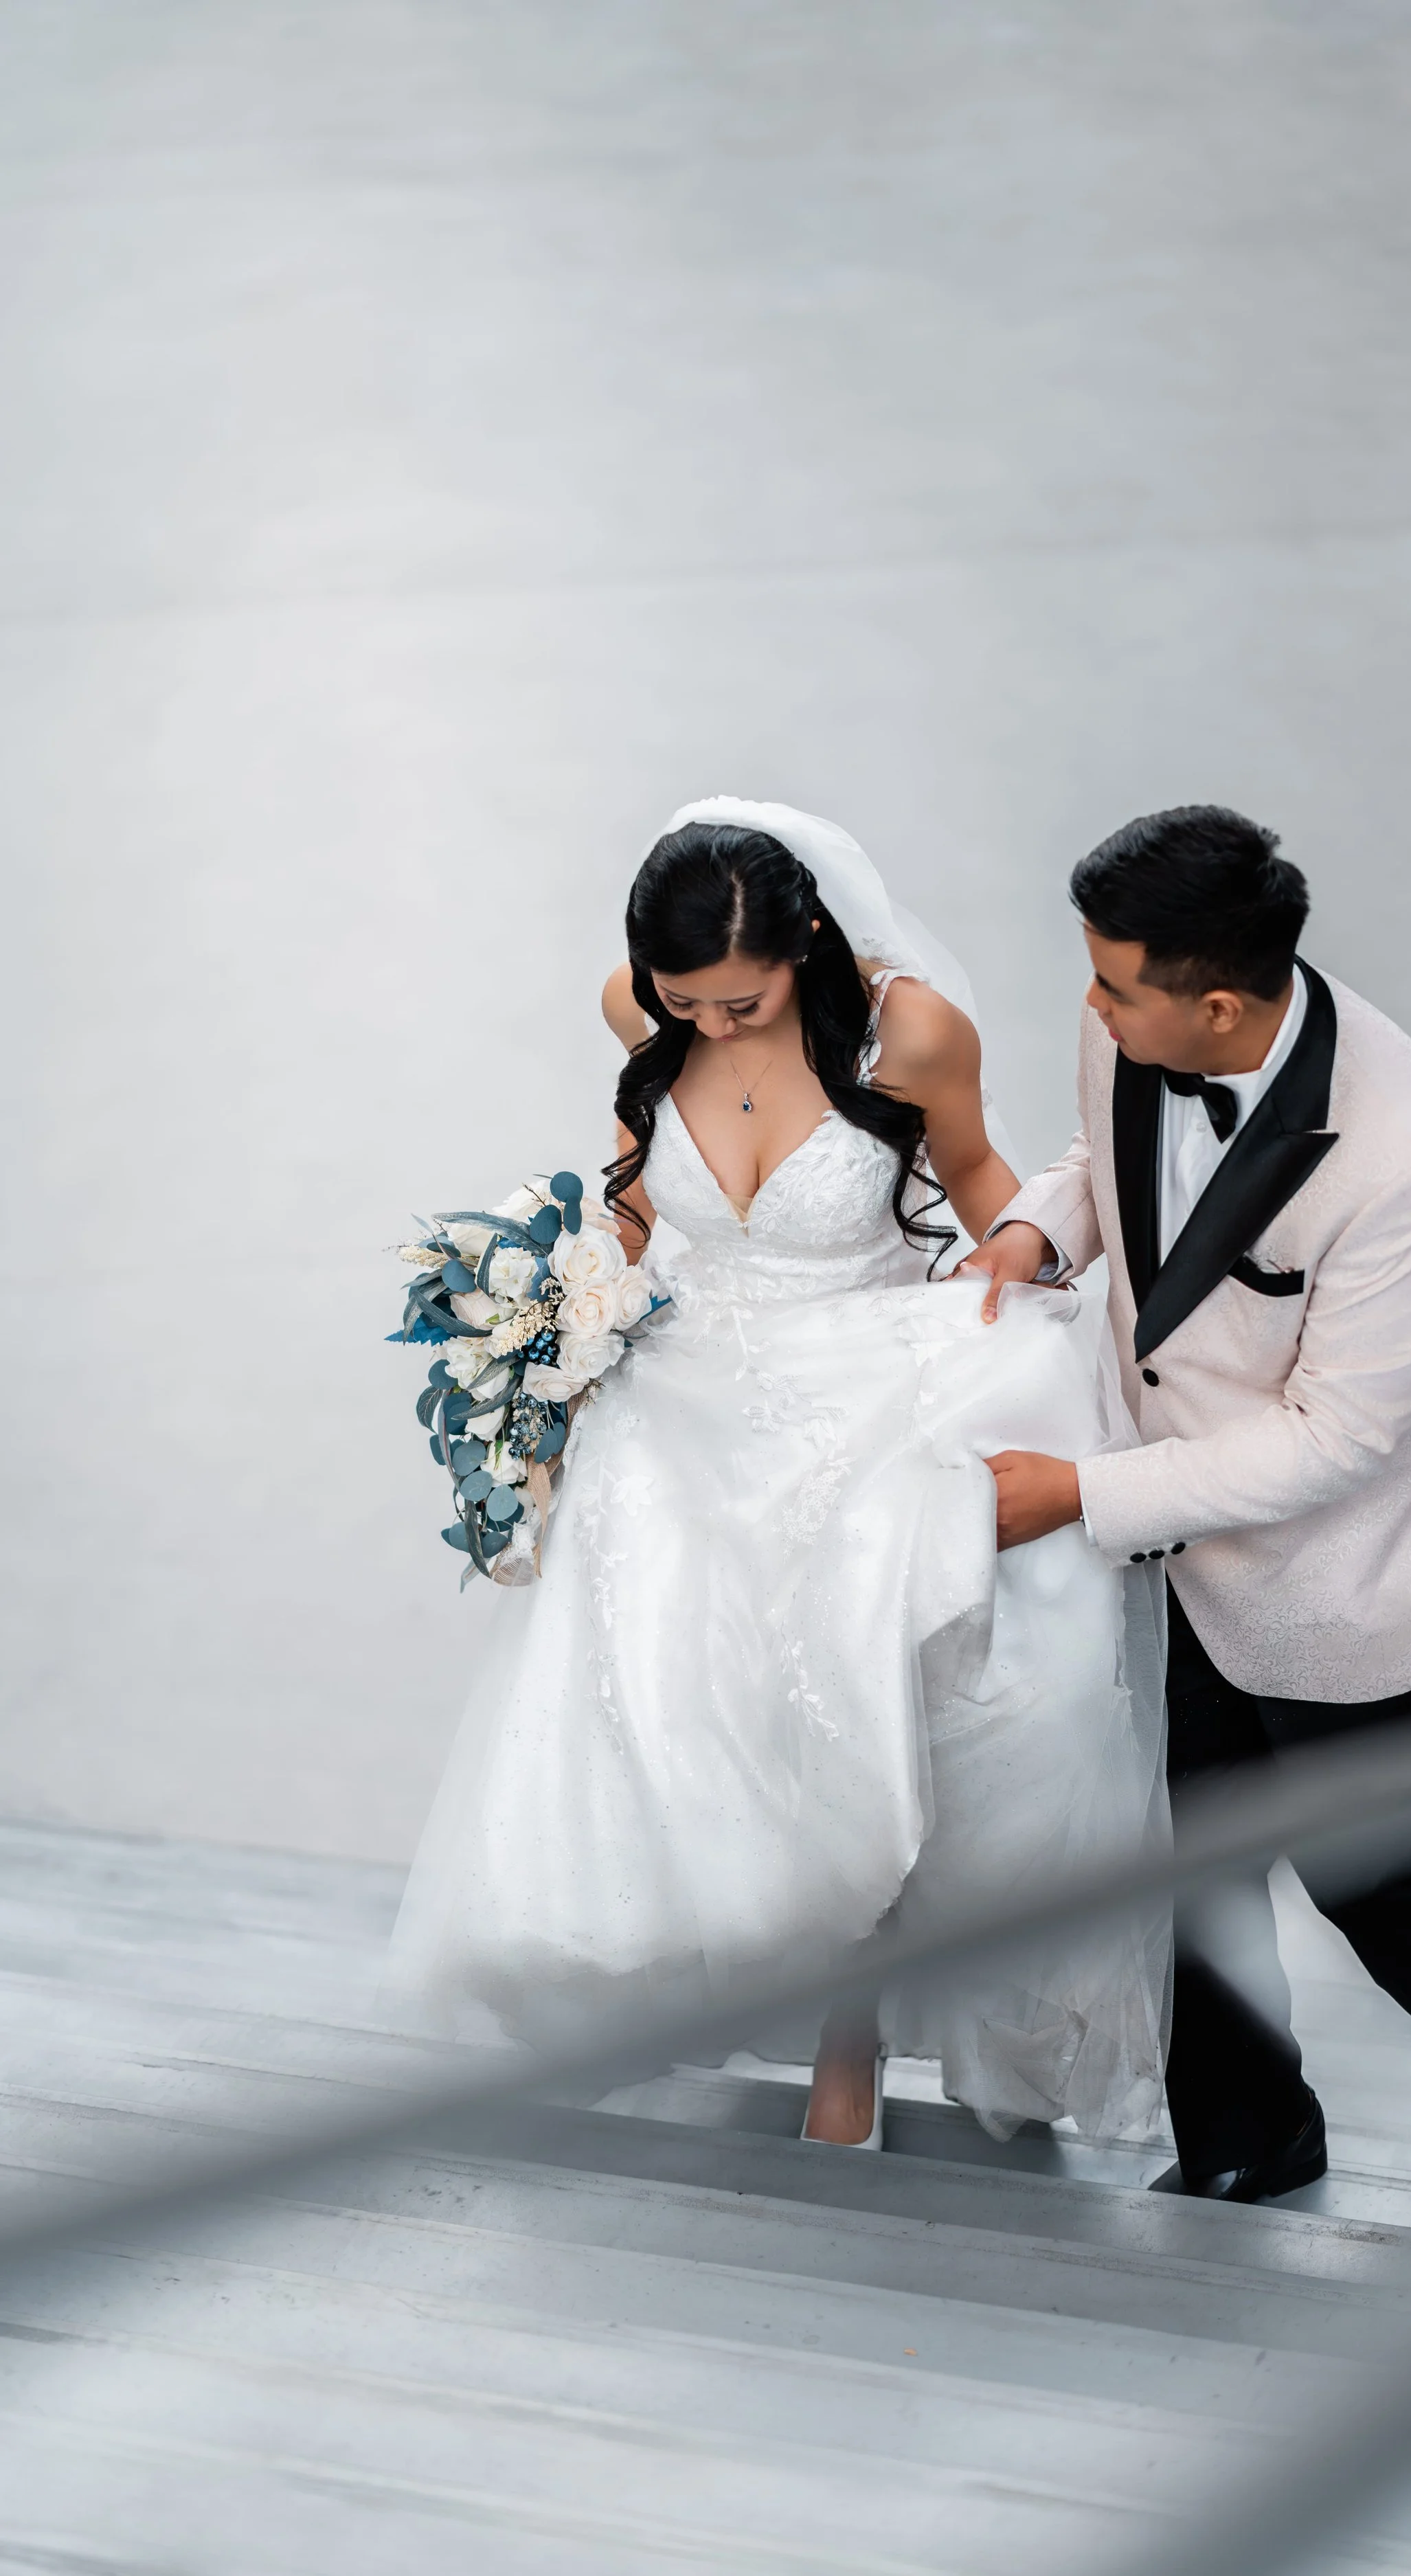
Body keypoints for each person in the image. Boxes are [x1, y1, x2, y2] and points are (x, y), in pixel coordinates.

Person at [385, 798, 1169, 2152]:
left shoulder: (910, 1032)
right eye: (683, 1004)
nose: (709, 1025)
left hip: (863, 1388)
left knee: (854, 1700)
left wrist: (1038, 1300)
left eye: (738, 1002)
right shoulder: (640, 1006)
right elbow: (636, 1187)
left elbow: (974, 1174)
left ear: (807, 938)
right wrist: (561, 1322)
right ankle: (696, 1974)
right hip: (685, 1394)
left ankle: (846, 2033)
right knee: (682, 1705)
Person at [964, 804, 1411, 2202]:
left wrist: (1081, 1494)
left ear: (1217, 1006)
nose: (1089, 1006)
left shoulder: (1409, 1158)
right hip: (1174, 1539)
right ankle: (1250, 2136)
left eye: (1112, 986)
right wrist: (1038, 1224)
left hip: (1354, 1563)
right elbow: (1107, 1165)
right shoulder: (1137, 1019)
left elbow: (1338, 1441)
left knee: (1367, 1871)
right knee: (1190, 1851)